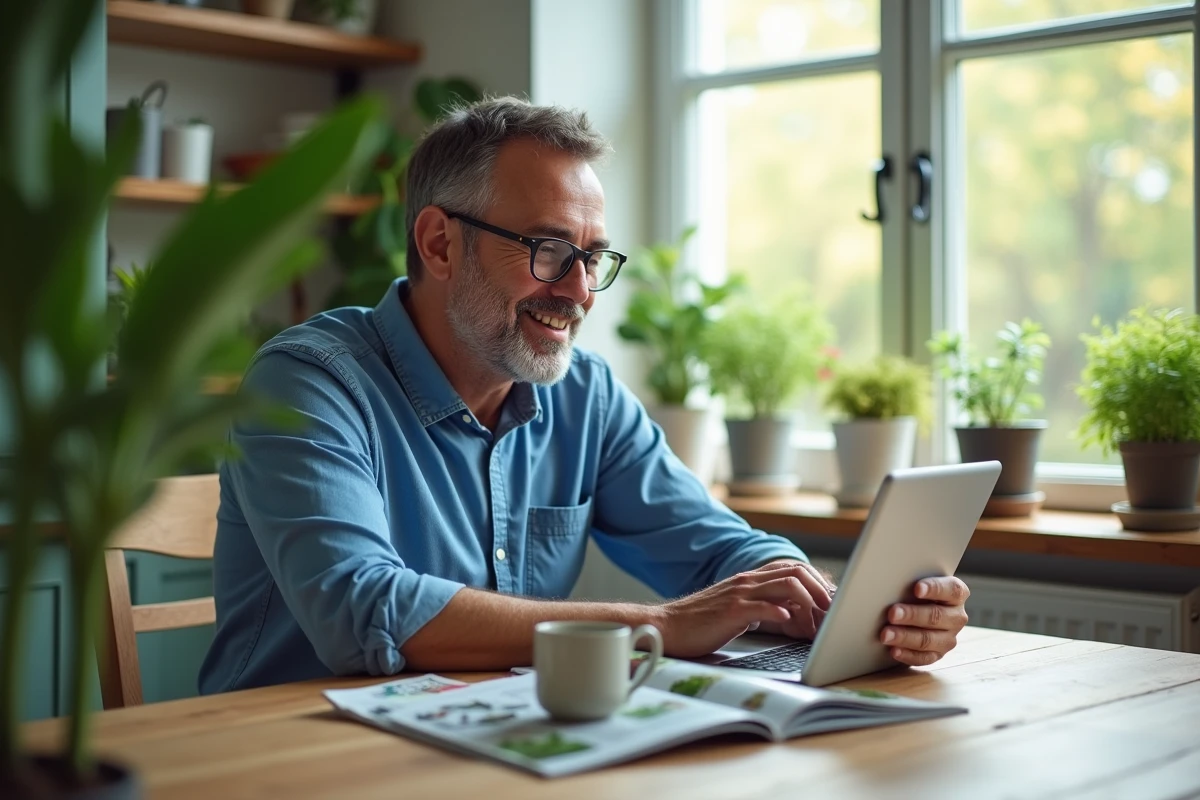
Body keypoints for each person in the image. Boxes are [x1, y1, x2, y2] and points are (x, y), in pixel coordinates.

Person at [198, 97, 970, 694]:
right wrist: (659, 625)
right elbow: (363, 609)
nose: (579, 291)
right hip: (297, 760)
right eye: (547, 250)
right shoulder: (309, 382)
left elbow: (715, 549)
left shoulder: (586, 396)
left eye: (593, 257)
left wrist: (853, 612)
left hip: (500, 750)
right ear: (439, 243)